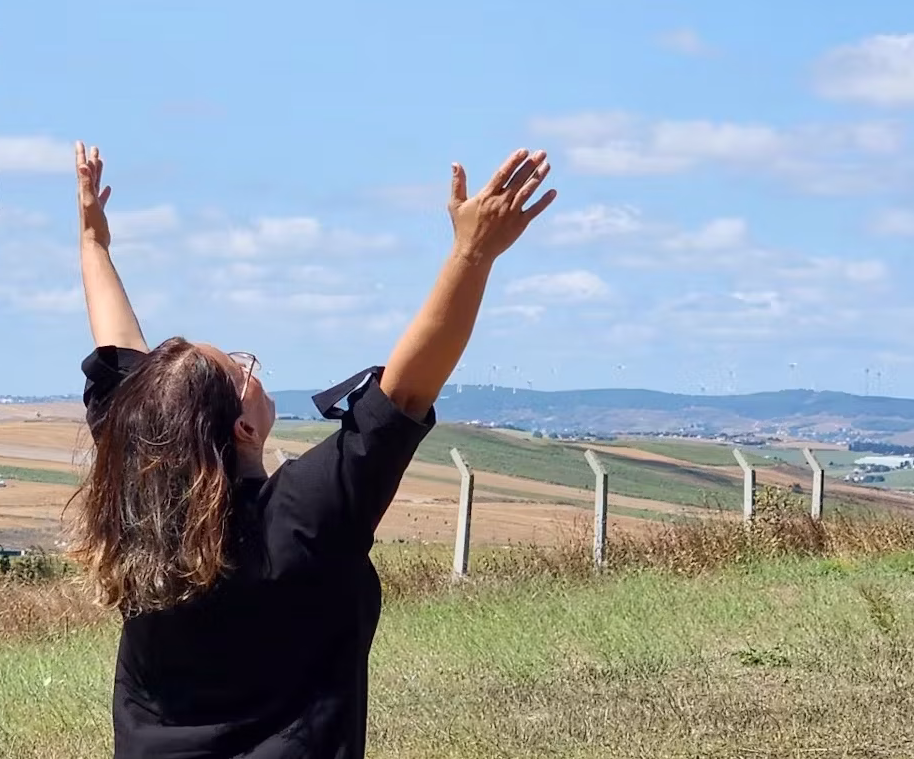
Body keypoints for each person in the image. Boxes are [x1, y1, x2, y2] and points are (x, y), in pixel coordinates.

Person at [68, 140, 556, 759]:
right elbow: (405, 393)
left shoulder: (141, 510)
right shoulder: (302, 519)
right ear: (243, 429)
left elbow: (122, 359)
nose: (253, 368)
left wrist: (94, 244)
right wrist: (472, 253)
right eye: (242, 367)